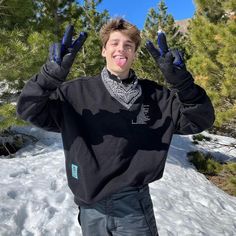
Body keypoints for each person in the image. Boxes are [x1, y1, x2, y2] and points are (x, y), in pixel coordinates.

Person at [17, 18, 215, 236]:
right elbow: (29, 109)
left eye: (128, 45)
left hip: (133, 208)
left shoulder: (157, 97)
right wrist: (48, 76)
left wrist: (184, 85)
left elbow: (199, 120)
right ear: (103, 50)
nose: (121, 49)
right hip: (90, 207)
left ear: (134, 54)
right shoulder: (75, 92)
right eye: (114, 43)